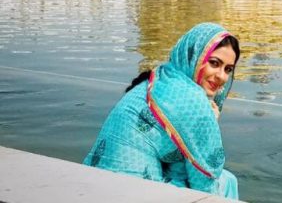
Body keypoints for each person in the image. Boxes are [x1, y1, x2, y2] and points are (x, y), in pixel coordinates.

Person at [83, 23, 240, 199]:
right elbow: (204, 186)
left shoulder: (161, 77)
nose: (221, 76)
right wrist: (210, 120)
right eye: (214, 63)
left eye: (228, 69)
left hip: (96, 183)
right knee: (227, 181)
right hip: (134, 193)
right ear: (194, 57)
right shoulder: (193, 100)